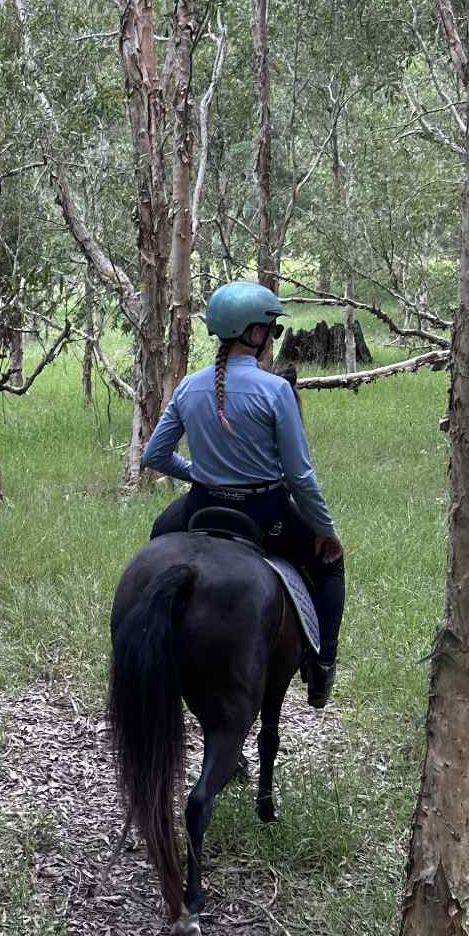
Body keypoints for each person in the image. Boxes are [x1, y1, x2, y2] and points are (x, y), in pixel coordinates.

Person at [142, 280, 346, 707]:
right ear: (254, 333)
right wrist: (326, 530)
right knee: (330, 565)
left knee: (159, 538)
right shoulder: (276, 390)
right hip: (265, 513)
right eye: (272, 330)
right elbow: (300, 475)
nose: (272, 338)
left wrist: (198, 473)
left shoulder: (188, 386)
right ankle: (322, 665)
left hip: (200, 504)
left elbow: (155, 455)